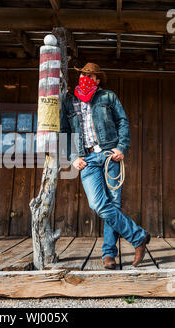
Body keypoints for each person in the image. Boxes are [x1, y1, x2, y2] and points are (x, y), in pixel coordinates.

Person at [60, 62, 150, 269]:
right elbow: (64, 130)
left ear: (98, 80)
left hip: (110, 155)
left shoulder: (108, 96)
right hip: (87, 158)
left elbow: (122, 122)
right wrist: (73, 156)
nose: (86, 78)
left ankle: (109, 254)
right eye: (83, 74)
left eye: (91, 76)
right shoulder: (69, 100)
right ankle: (138, 237)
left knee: (113, 204)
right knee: (98, 204)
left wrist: (121, 147)